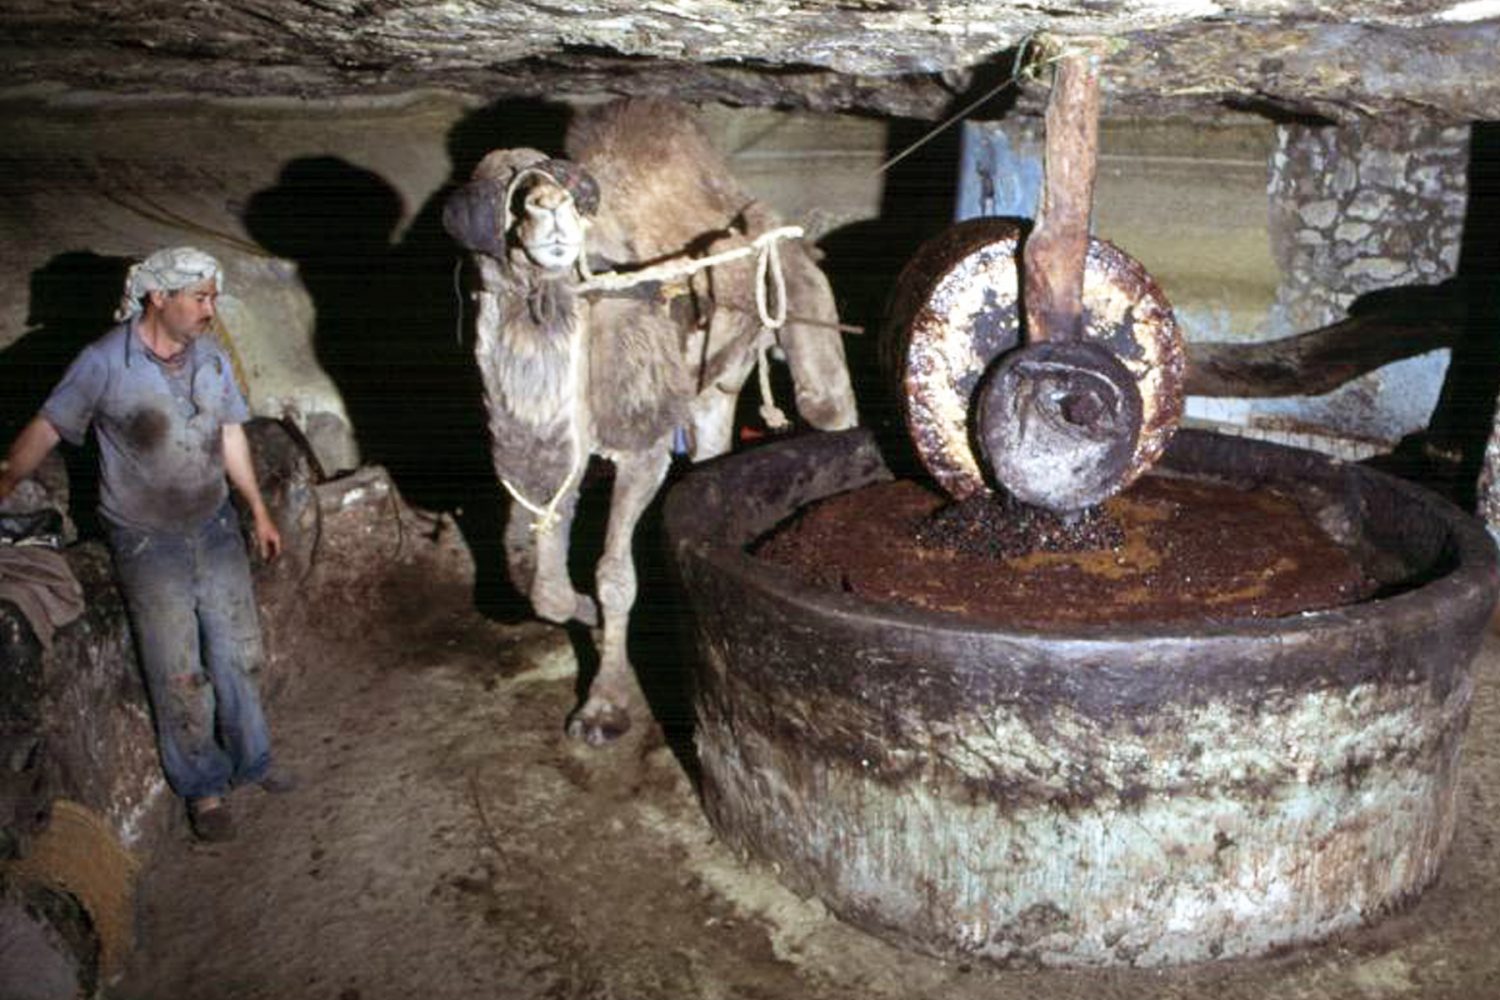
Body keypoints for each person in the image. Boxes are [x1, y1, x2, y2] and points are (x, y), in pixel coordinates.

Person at [0, 246, 293, 842]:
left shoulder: (210, 357)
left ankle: (254, 759)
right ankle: (204, 789)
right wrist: (6, 480)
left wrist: (258, 510)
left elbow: (230, 432)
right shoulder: (104, 362)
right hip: (145, 543)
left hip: (213, 526)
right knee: (178, 667)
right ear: (159, 297)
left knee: (238, 651)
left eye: (212, 297)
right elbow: (48, 428)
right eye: (201, 298)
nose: (211, 310)